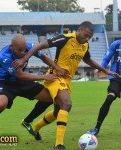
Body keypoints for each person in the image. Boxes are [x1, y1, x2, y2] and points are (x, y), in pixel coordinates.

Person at [12, 21, 119, 150]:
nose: (87, 38)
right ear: (79, 29)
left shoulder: (85, 45)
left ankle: (35, 127)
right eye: (85, 35)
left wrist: (106, 70)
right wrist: (23, 59)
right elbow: (39, 46)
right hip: (55, 77)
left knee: (58, 112)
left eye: (89, 37)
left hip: (67, 80)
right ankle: (59, 145)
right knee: (66, 104)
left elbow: (88, 60)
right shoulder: (65, 38)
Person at [0, 34, 69, 149]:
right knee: (1, 104)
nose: (22, 52)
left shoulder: (28, 47)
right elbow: (20, 74)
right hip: (5, 82)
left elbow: (44, 57)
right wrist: (44, 77)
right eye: (19, 50)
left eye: (24, 50)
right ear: (12, 47)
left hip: (23, 82)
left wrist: (58, 68)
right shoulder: (4, 56)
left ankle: (28, 121)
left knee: (50, 98)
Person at [87, 40, 121, 136]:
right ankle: (97, 128)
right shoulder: (116, 44)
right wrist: (100, 67)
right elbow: (106, 58)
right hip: (116, 77)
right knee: (109, 98)